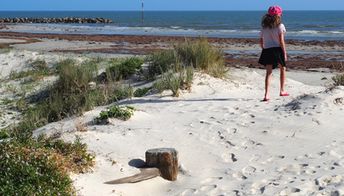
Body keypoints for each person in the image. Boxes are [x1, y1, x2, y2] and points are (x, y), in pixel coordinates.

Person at [258, 5, 289, 102]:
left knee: (269, 73)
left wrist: (264, 47)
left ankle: (266, 94)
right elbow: (281, 41)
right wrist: (284, 53)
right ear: (278, 15)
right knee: (282, 69)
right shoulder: (280, 26)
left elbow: (261, 41)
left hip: (267, 50)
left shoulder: (264, 27)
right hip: (277, 50)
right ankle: (282, 90)